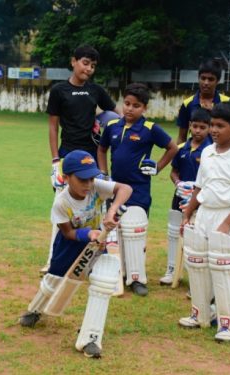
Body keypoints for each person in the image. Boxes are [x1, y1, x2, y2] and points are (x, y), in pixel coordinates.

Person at [18, 150, 132, 359]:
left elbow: (125, 188)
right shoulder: (61, 203)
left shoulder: (96, 186)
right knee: (54, 280)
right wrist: (88, 233)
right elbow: (68, 232)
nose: (88, 184)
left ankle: (90, 338)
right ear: (67, 177)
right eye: (82, 179)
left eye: (91, 178)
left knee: (103, 281)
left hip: (96, 245)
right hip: (71, 244)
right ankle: (35, 310)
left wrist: (112, 210)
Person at [178, 101, 230, 342]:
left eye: (220, 126)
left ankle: (229, 325)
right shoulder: (207, 152)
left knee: (224, 267)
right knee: (197, 262)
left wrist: (228, 224)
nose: (214, 130)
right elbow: (200, 186)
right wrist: (188, 213)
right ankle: (200, 314)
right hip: (205, 212)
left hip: (228, 214)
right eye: (212, 125)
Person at [42, 45, 118, 274]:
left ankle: (95, 261)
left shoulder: (96, 91)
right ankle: (53, 261)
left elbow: (116, 116)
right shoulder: (59, 91)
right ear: (73, 61)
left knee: (96, 211)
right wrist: (56, 160)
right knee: (62, 210)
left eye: (93, 66)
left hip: (91, 163)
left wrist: (105, 125)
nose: (89, 69)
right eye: (85, 63)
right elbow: (53, 126)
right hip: (67, 159)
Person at [97, 83, 178, 296]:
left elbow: (173, 147)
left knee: (135, 231)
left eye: (136, 105)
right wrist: (104, 174)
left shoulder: (150, 129)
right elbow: (102, 148)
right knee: (115, 231)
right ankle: (118, 274)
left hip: (139, 190)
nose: (130, 109)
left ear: (144, 108)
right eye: (127, 103)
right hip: (115, 188)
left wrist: (158, 167)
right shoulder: (113, 125)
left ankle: (137, 279)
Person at [161, 108, 212, 285]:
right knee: (174, 232)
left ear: (209, 128)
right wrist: (178, 183)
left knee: (197, 235)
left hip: (201, 200)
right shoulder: (182, 148)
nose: (198, 130)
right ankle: (172, 269)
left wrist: (197, 190)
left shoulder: (211, 150)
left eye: (202, 127)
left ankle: (196, 276)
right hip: (180, 196)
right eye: (195, 126)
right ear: (190, 126)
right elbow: (173, 172)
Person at [176, 60, 230, 144]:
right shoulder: (187, 104)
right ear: (199, 78)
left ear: (218, 80)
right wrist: (178, 156)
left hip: (219, 153)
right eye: (203, 78)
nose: (206, 82)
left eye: (210, 79)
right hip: (195, 154)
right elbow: (181, 137)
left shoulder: (227, 103)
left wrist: (214, 113)